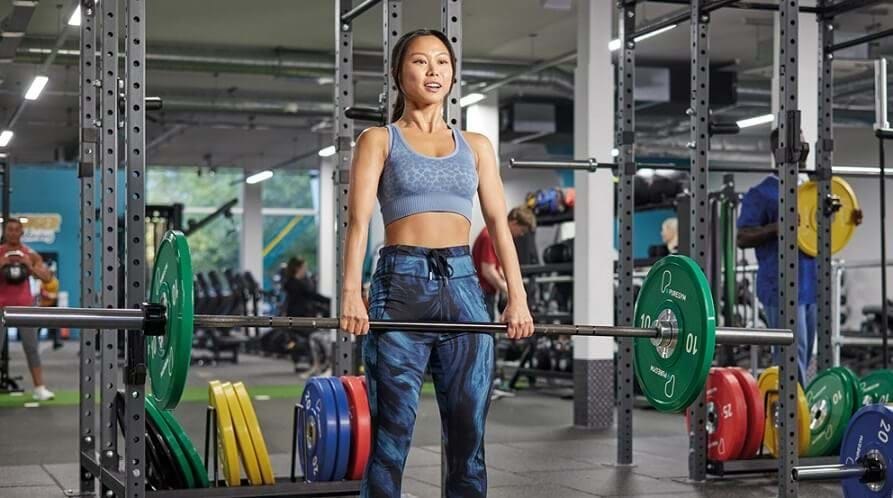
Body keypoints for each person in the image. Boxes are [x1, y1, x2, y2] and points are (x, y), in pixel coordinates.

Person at [339, 29, 534, 498]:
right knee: (391, 434)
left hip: (465, 286)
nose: (433, 71)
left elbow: (498, 225)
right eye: (421, 62)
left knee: (469, 437)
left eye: (442, 62)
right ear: (397, 73)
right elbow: (358, 224)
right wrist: (350, 291)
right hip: (399, 285)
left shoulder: (477, 145)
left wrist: (518, 298)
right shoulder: (377, 140)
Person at [737, 128, 862, 386]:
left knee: (806, 353)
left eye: (804, 143)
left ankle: (801, 413)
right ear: (779, 150)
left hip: (812, 284)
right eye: (798, 144)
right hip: (780, 284)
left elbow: (823, 229)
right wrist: (777, 227)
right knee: (791, 353)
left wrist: (848, 217)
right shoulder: (761, 193)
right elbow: (742, 237)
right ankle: (793, 417)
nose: (803, 148)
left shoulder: (814, 189)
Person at [0, 218, 55, 400]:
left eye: (17, 230)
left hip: (24, 308)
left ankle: (39, 388)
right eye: (10, 230)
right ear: (5, 232)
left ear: (22, 233)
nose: (13, 233)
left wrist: (30, 266)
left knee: (31, 348)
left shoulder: (30, 254)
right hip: (1, 307)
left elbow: (47, 278)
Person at [472, 206, 536, 320]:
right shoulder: (489, 236)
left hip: (486, 294)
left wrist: (511, 284)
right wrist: (509, 290)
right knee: (487, 331)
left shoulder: (498, 236)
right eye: (522, 230)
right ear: (514, 223)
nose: (521, 234)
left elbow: (498, 268)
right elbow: (488, 271)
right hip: (480, 294)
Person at [281, 257, 332, 377]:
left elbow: (311, 296)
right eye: (304, 267)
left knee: (317, 334)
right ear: (297, 268)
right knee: (316, 335)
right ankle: (319, 365)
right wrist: (331, 301)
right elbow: (312, 295)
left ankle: (319, 365)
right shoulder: (293, 284)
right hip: (298, 319)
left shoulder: (298, 282)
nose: (306, 270)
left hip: (304, 317)